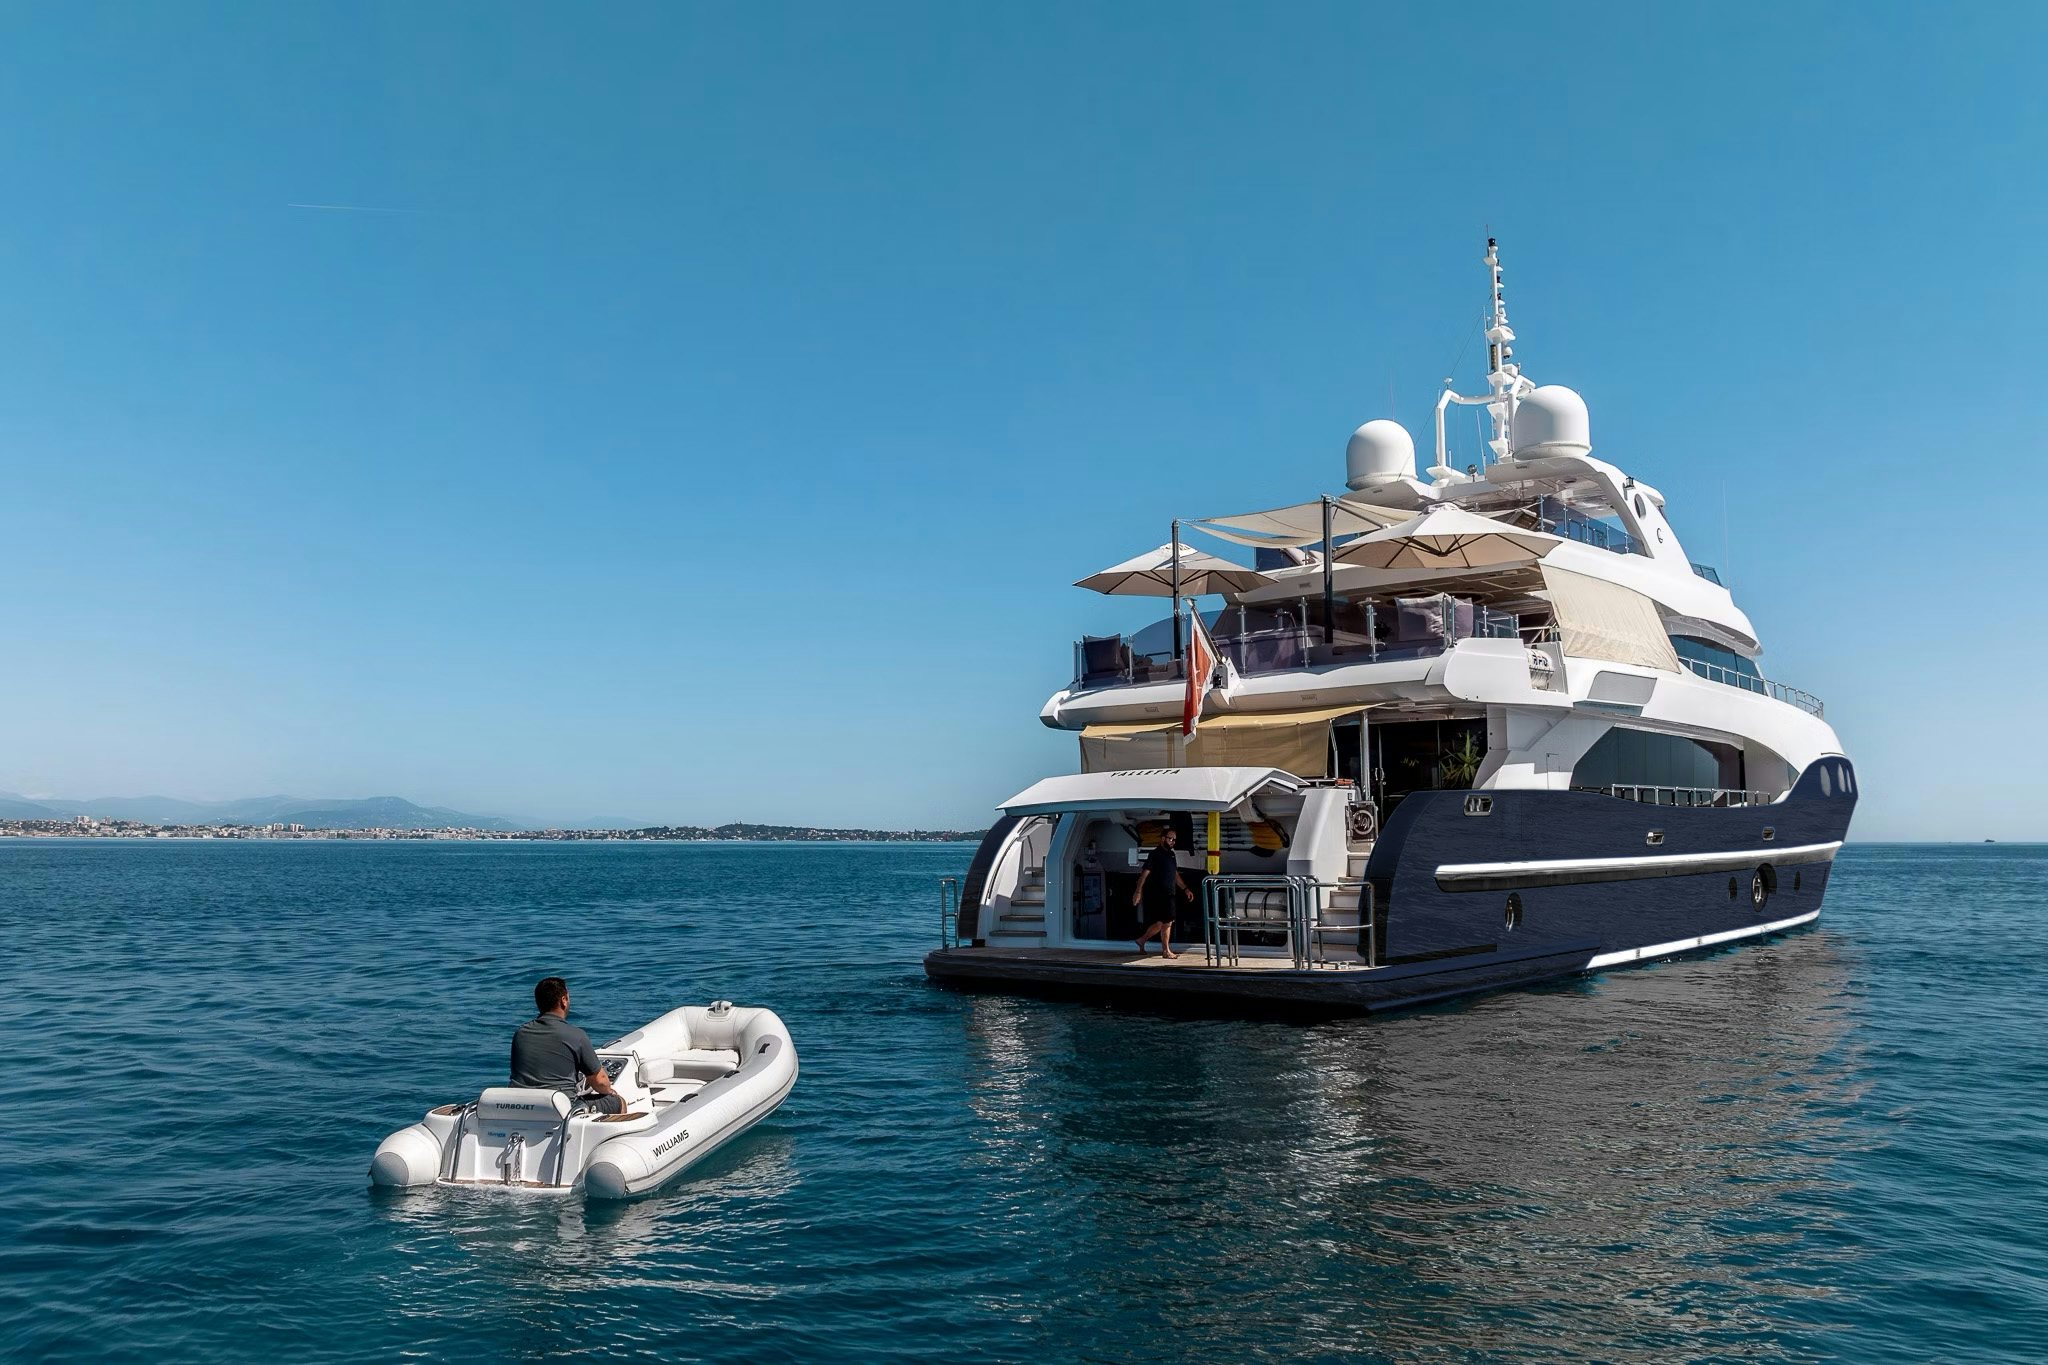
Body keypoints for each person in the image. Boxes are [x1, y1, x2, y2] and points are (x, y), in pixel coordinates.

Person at [510, 976, 624, 1115]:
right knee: (617, 1101)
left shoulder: (520, 1034)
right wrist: (610, 1091)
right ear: (563, 1001)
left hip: (522, 1106)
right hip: (562, 1109)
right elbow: (600, 1082)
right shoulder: (576, 1035)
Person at [1132, 826, 1195, 958]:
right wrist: (1138, 892)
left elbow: (1175, 874)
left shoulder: (1171, 855)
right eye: (1170, 838)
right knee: (1168, 922)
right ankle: (1166, 951)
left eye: (1174, 839)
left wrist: (1185, 888)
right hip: (1160, 894)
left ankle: (1142, 940)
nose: (1172, 841)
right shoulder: (1155, 854)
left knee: (1161, 923)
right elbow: (1144, 874)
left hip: (1170, 893)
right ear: (1163, 839)